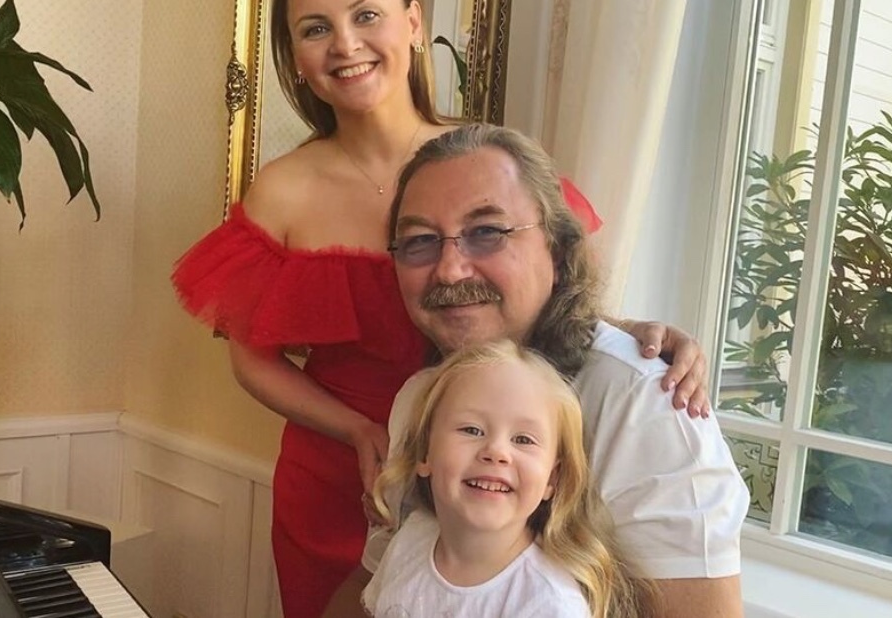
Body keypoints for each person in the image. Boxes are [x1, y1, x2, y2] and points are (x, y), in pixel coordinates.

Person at [172, 2, 710, 616]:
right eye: (315, 28)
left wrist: (627, 332)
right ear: (295, 58)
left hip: (488, 459)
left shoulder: (482, 160)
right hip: (338, 471)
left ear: (413, 23)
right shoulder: (280, 189)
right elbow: (252, 360)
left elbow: (543, 279)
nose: (345, 44)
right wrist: (357, 430)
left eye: (365, 14)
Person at [326, 124, 749, 618]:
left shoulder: (645, 401)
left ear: (557, 248)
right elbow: (380, 579)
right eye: (420, 241)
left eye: (488, 232)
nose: (449, 270)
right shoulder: (420, 397)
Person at [362, 340, 657, 618]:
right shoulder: (410, 541)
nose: (496, 452)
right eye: (472, 430)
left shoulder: (548, 604)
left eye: (523, 439)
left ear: (552, 478)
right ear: (425, 453)